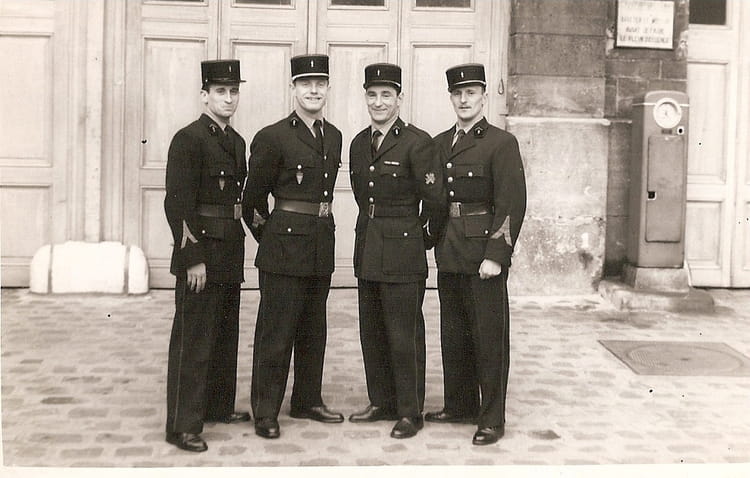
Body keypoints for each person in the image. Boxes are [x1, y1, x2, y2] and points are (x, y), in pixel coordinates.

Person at [243, 54, 344, 439]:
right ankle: (265, 410)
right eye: (305, 84)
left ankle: (307, 399)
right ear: (293, 88)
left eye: (320, 84)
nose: (313, 91)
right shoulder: (273, 137)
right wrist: (272, 238)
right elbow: (252, 202)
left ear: (328, 88)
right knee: (276, 332)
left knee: (314, 329)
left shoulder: (333, 136)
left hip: (320, 244)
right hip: (283, 250)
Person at [425, 63, 526, 446]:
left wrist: (497, 254)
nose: (464, 100)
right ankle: (459, 405)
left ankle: (492, 417)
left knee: (489, 338)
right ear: (450, 97)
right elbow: (436, 199)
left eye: (471, 92)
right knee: (454, 334)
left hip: (483, 253)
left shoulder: (501, 143)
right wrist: (429, 239)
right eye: (457, 93)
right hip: (450, 249)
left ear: (484, 96)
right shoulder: (440, 143)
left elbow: (512, 203)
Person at [348, 63, 446, 439]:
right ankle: (381, 401)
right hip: (368, 245)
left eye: (386, 95)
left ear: (399, 99)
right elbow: (362, 196)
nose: (378, 102)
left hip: (404, 249)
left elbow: (435, 201)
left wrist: (420, 239)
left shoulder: (418, 143)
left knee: (404, 334)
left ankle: (409, 411)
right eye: (372, 95)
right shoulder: (359, 143)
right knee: (371, 330)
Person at [163, 59, 251, 453]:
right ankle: (183, 425)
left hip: (229, 248)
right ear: (204, 95)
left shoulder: (236, 142)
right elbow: (177, 203)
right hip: (202, 252)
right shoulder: (189, 139)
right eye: (220, 91)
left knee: (224, 334)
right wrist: (193, 257)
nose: (228, 98)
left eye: (233, 91)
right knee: (194, 340)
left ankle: (218, 406)